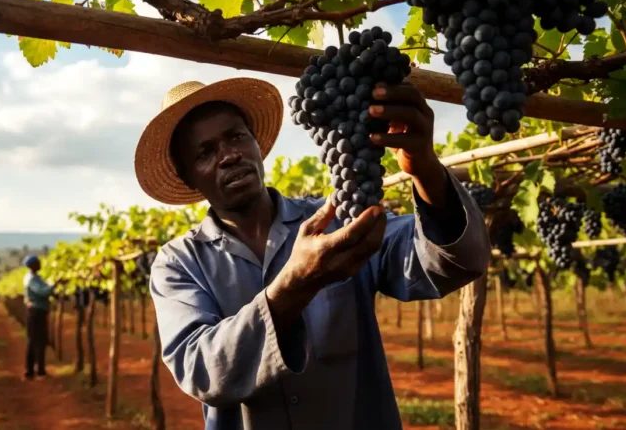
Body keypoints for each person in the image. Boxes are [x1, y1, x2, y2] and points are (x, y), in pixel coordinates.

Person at [134, 78, 491, 430]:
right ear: (188, 177)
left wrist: (425, 169)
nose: (229, 155)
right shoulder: (178, 263)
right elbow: (202, 370)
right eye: (205, 152)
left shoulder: (336, 220)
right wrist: (294, 285)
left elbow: (452, 263)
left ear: (257, 145)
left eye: (236, 136)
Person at [22, 255, 55, 380]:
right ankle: (38, 371)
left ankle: (31, 371)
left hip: (37, 311)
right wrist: (55, 284)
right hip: (36, 312)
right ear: (32, 265)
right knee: (38, 341)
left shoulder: (35, 277)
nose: (40, 264)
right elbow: (43, 292)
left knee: (35, 341)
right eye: (38, 262)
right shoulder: (32, 279)